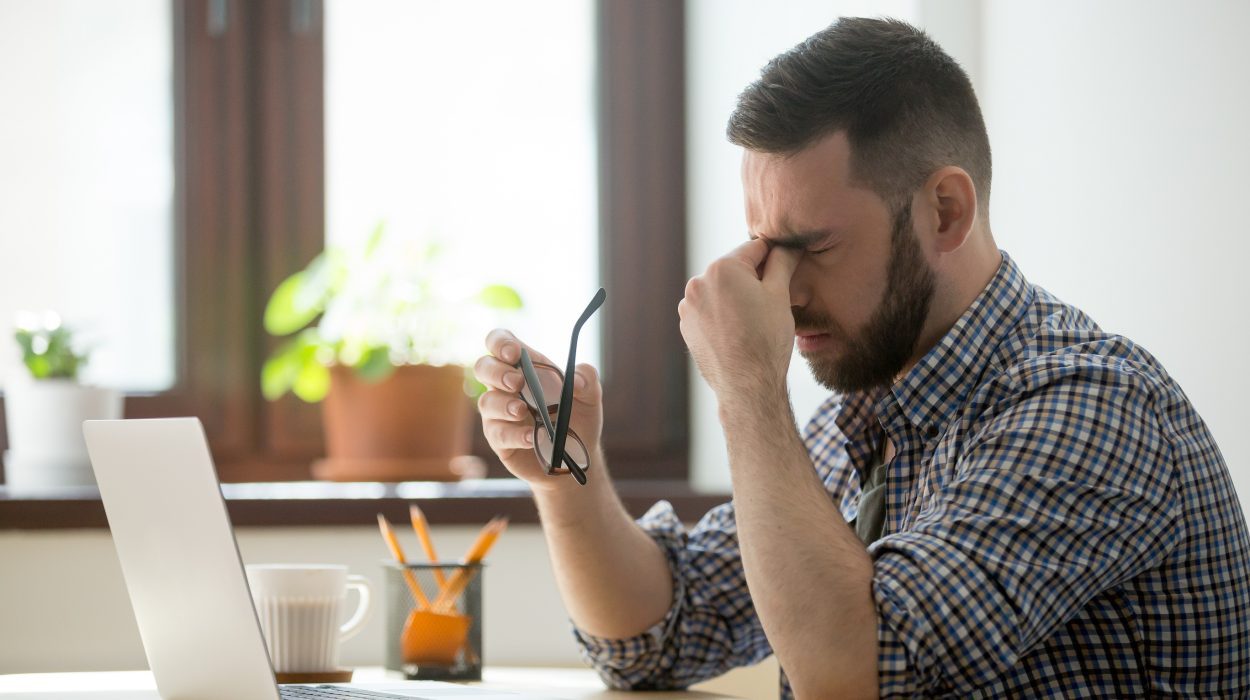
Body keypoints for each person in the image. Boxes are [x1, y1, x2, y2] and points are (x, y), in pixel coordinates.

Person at [473, 17, 1250, 699]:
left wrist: (747, 386)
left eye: (812, 246)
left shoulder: (1089, 408)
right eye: (764, 248)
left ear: (945, 211)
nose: (780, 291)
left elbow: (857, 676)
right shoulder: (869, 411)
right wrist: (564, 476)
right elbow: (658, 635)